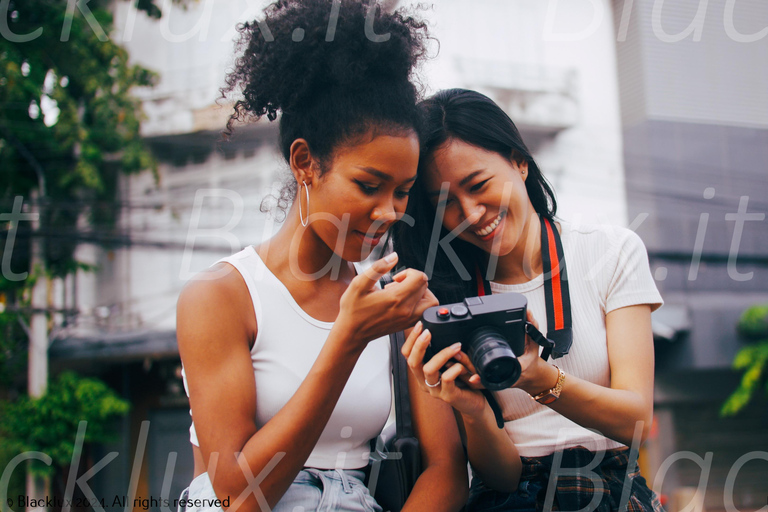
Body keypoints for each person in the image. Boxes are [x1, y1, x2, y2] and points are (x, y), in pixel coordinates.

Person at [176, 3, 468, 511]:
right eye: (368, 185)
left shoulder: (398, 304)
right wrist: (347, 339)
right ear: (305, 162)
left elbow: (447, 469)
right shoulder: (222, 298)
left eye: (401, 191)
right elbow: (235, 494)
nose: (388, 211)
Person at [393, 88, 664, 512]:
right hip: (511, 499)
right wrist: (473, 411)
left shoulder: (611, 252)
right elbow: (502, 476)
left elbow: (637, 421)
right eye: (445, 203)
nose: (471, 212)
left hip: (613, 488)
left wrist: (539, 379)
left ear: (520, 162)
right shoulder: (443, 300)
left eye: (478, 185)